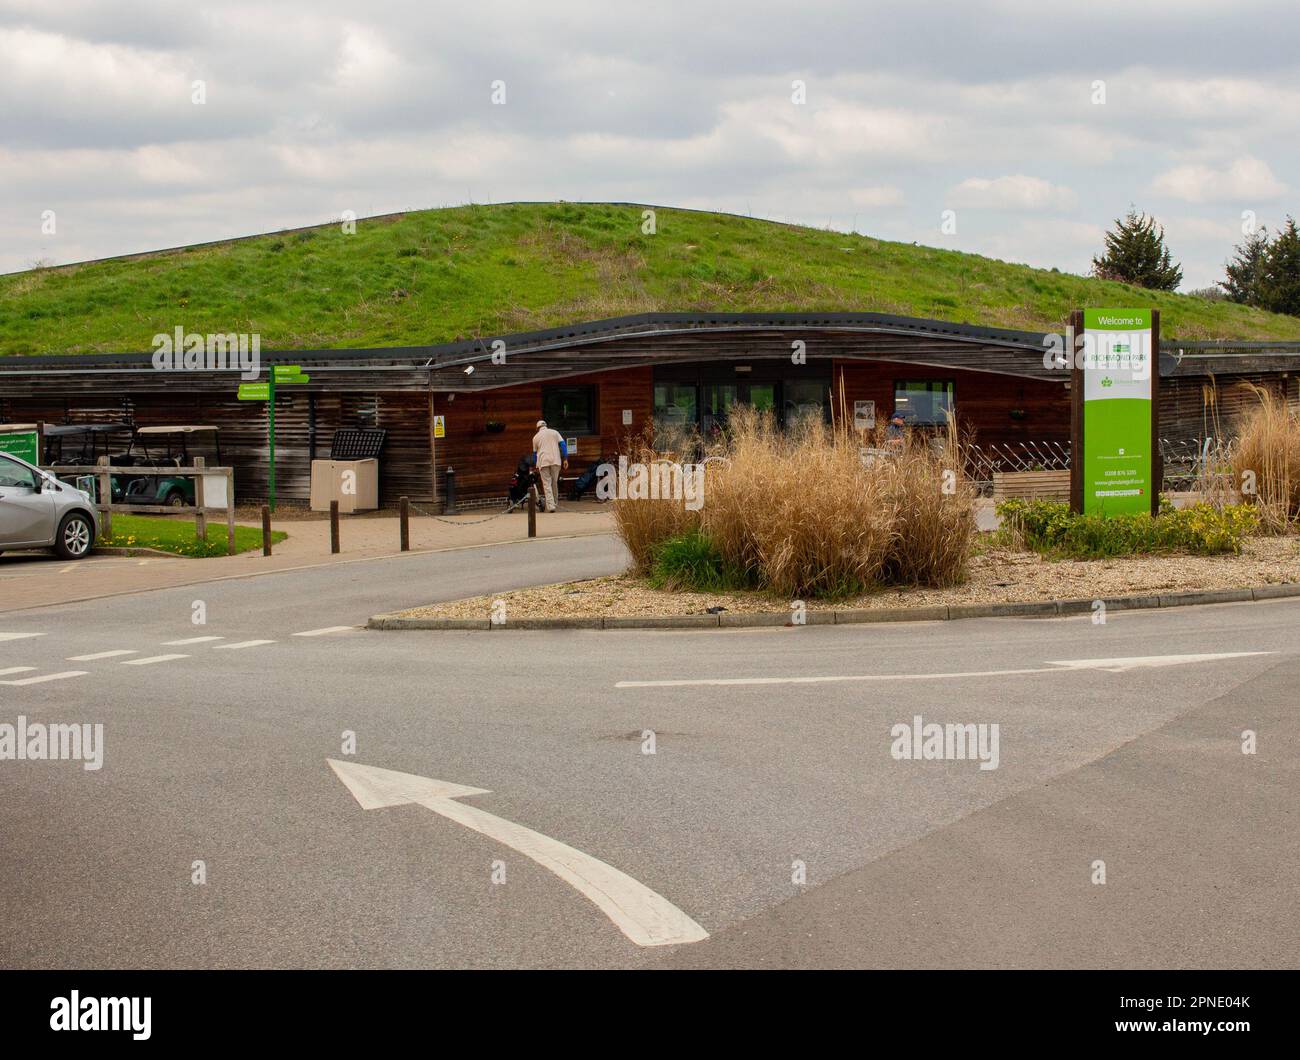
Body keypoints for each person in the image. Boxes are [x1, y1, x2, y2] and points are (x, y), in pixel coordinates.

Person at [531, 419, 568, 512]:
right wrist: (565, 458)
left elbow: (535, 454)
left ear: (537, 428)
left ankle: (551, 507)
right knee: (554, 482)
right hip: (555, 460)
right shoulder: (554, 432)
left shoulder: (535, 437)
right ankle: (555, 503)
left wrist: (536, 464)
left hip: (543, 461)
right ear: (546, 425)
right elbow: (563, 445)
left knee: (547, 484)